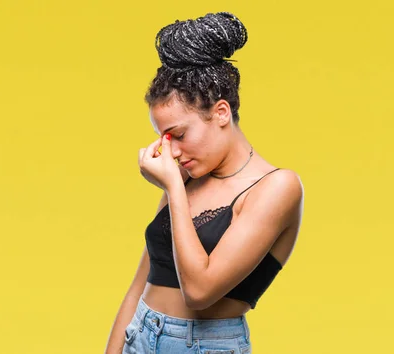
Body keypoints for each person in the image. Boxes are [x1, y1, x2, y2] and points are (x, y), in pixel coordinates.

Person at [105, 12, 304, 354]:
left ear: (221, 112)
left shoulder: (277, 187)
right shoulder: (186, 179)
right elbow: (141, 282)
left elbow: (199, 291)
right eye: (163, 138)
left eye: (179, 134)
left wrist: (173, 188)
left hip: (204, 346)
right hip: (139, 336)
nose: (172, 151)